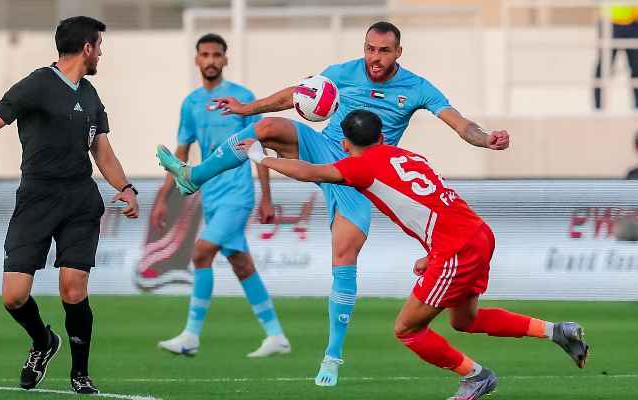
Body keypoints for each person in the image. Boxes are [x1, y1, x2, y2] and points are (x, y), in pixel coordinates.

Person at [157, 21, 510, 386]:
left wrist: (485, 139)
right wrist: (248, 109)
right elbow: (298, 93)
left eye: (384, 51)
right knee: (266, 129)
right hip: (325, 148)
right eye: (370, 49)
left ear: (398, 53)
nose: (374, 57)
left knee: (344, 255)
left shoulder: (417, 87)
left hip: (360, 174)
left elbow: (459, 123)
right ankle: (194, 176)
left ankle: (333, 355)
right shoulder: (343, 72)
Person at [239, 109, 588, 400]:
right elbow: (430, 203)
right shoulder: (407, 156)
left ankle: (477, 377)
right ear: (380, 137)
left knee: (407, 328)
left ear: (346, 144)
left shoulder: (361, 166)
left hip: (457, 248)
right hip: (477, 233)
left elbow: (308, 172)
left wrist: (260, 156)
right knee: (464, 321)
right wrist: (435, 254)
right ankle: (556, 331)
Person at [0, 16, 139, 394]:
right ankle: (43, 342)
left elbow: (101, 150)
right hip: (37, 198)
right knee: (14, 296)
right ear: (87, 48)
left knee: (73, 289)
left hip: (79, 200)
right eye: (100, 46)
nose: (102, 53)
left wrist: (125, 186)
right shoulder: (37, 84)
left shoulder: (90, 95)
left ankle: (80, 374)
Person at [153, 34, 290, 357]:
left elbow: (259, 147)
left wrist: (266, 197)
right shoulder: (191, 104)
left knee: (201, 253)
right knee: (241, 264)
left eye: (217, 54)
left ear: (225, 60)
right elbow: (181, 154)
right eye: (205, 54)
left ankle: (191, 336)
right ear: (197, 59)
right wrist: (163, 197)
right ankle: (276, 336)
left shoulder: (243, 99)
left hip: (237, 194)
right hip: (210, 195)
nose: (211, 60)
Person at [594, 5, 638, 109]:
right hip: (609, 20)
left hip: (634, 21)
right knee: (604, 67)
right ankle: (599, 107)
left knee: (636, 67)